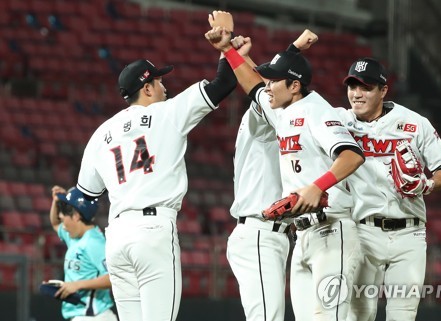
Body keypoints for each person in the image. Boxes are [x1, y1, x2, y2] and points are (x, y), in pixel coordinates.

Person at [75, 11, 237, 321]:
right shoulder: (167, 113)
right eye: (160, 81)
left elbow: (87, 195)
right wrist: (225, 47)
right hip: (152, 230)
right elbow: (223, 84)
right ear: (147, 88)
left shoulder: (100, 134)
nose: (165, 87)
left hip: (118, 236)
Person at [205, 24, 366, 321]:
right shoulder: (282, 110)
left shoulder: (317, 111)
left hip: (331, 229)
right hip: (302, 235)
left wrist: (318, 186)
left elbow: (352, 155)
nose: (268, 85)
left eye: (275, 80)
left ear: (294, 86)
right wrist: (227, 51)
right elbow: (253, 85)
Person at [337, 58, 441, 321]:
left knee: (403, 315)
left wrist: (430, 183)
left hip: (409, 234)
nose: (357, 94)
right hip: (362, 232)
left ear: (383, 90)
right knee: (358, 315)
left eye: (365, 87)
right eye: (352, 86)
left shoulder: (414, 123)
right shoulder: (338, 122)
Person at [225, 30, 318, 321]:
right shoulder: (261, 116)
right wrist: (292, 50)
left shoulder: (274, 116)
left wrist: (292, 51)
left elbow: (275, 81)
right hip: (258, 232)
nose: (270, 89)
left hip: (271, 235)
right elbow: (266, 87)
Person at [48, 185, 117, 321]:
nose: (60, 216)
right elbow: (55, 224)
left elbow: (113, 277)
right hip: (83, 315)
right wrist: (56, 201)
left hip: (95, 316)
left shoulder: (94, 242)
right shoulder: (74, 236)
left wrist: (77, 285)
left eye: (64, 214)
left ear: (76, 216)